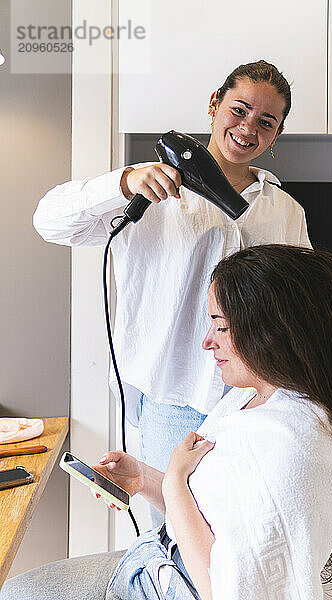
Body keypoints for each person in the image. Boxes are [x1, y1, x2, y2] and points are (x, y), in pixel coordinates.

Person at [2, 245, 332, 600]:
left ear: (274, 331)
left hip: (171, 584)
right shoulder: (247, 400)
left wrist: (173, 480)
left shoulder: (293, 447)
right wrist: (144, 478)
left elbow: (221, 589)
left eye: (222, 326)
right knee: (17, 589)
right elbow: (208, 510)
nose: (208, 341)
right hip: (157, 561)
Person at [32, 61, 311, 524]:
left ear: (276, 135)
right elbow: (49, 221)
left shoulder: (284, 212)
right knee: (173, 532)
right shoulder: (149, 192)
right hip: (173, 397)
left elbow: (300, 303)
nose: (247, 128)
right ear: (214, 105)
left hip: (254, 401)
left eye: (266, 122)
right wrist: (122, 182)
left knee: (237, 531)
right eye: (238, 110)